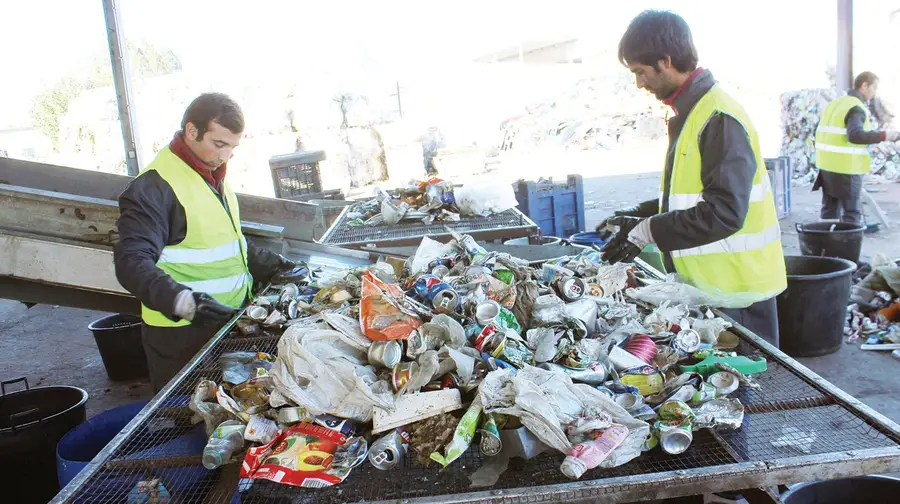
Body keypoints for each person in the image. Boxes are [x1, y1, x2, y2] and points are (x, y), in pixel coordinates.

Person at [598, 10, 786, 346]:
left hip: (739, 296)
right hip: (711, 292)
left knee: (744, 391)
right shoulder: (693, 113)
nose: (639, 83)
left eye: (640, 72)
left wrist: (648, 231)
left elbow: (724, 211)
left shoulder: (717, 118)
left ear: (665, 61)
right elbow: (693, 195)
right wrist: (638, 216)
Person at [114, 93, 305, 391]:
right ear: (192, 131)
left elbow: (223, 242)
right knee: (186, 420)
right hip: (181, 339)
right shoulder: (154, 187)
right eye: (219, 144)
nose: (225, 156)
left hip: (228, 326)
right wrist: (184, 302)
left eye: (232, 148)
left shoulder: (212, 175)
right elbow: (131, 263)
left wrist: (268, 264)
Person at [813, 71, 900, 225]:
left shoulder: (835, 104)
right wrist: (885, 135)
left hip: (826, 166)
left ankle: (826, 245)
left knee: (829, 212)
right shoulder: (856, 107)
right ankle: (847, 246)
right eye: (874, 87)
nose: (875, 92)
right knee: (851, 215)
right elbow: (855, 135)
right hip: (846, 169)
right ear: (864, 85)